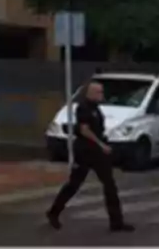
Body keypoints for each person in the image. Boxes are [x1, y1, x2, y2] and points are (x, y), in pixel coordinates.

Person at [46, 79, 133, 234]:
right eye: (99, 92)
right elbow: (85, 130)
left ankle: (117, 222)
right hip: (85, 151)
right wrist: (101, 145)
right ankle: (53, 212)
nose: (102, 94)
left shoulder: (96, 109)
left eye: (102, 92)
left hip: (98, 153)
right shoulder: (83, 108)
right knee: (74, 184)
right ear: (90, 93)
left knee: (109, 185)